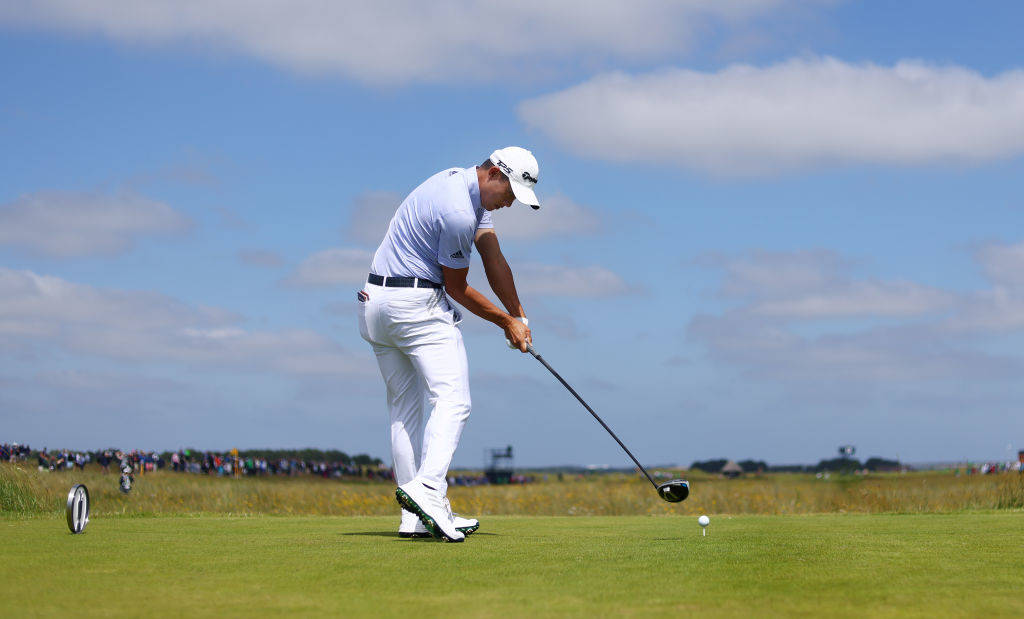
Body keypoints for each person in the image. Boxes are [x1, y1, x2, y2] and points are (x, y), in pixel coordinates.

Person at [357, 147, 540, 542]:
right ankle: (429, 489)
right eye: (510, 193)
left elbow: (493, 256)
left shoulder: (463, 184)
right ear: (494, 173)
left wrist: (519, 316)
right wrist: (504, 322)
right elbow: (456, 287)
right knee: (454, 400)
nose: (510, 203)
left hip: (376, 305)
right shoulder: (458, 211)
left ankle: (415, 517)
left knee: (405, 412)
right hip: (415, 306)